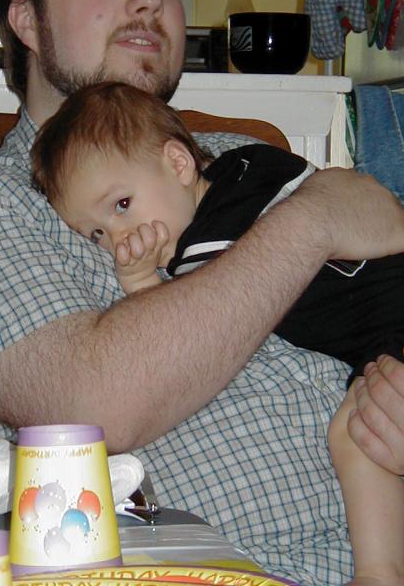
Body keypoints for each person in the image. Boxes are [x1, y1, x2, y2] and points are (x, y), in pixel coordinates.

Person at [0, 0, 404, 586]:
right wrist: (311, 220)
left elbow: (377, 264)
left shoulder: (234, 158)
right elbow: (95, 408)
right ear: (26, 19)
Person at [31, 80, 404, 585]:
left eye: (121, 205)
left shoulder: (215, 234)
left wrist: (144, 282)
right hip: (377, 345)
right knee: (363, 426)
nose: (118, 238)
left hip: (387, 316)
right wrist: (140, 276)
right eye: (96, 233)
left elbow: (187, 324)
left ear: (178, 163)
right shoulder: (242, 174)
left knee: (357, 434)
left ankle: (381, 572)